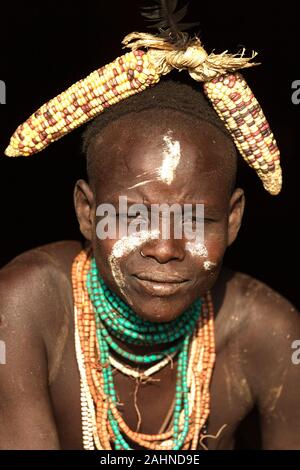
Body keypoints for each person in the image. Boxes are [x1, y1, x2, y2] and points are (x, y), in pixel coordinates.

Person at [0, 11, 299, 449]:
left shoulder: (271, 335)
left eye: (195, 220)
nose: (164, 247)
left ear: (233, 220)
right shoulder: (23, 309)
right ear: (87, 211)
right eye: (134, 217)